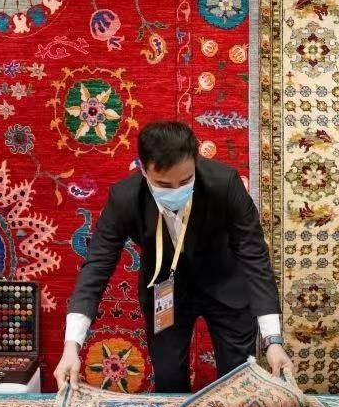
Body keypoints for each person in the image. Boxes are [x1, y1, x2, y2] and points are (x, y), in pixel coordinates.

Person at [53, 120, 294, 391]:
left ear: (196, 161)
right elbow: (96, 267)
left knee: (238, 380)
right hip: (165, 293)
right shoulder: (125, 198)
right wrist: (71, 346)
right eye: (163, 184)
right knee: (168, 379)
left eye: (186, 181)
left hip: (226, 286)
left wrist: (273, 341)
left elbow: (254, 255)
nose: (176, 189)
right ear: (143, 170)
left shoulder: (225, 183)